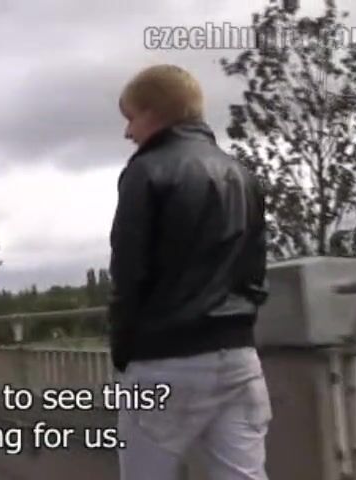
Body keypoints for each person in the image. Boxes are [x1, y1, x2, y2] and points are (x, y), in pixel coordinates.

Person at [110, 64, 271, 480]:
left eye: (131, 118)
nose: (128, 132)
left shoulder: (146, 171)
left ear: (153, 114)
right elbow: (255, 271)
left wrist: (125, 354)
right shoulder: (241, 174)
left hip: (165, 359)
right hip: (238, 359)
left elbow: (129, 273)